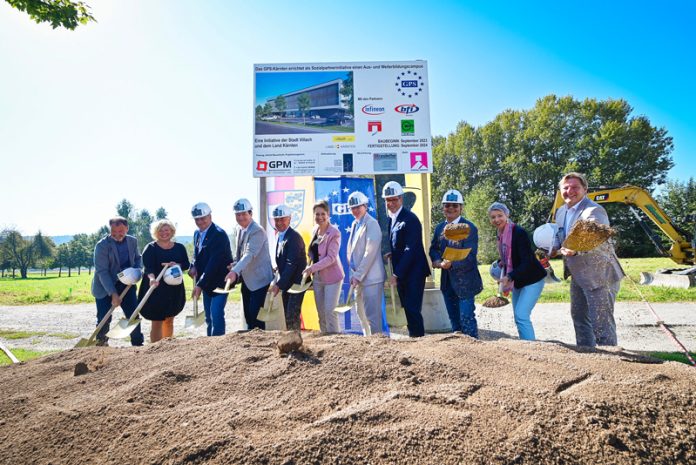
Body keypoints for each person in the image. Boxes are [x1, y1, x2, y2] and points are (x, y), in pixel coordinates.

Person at [553, 172, 624, 347]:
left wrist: (575, 250)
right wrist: (552, 248)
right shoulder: (561, 211)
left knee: (601, 323)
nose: (570, 191)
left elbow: (593, 240)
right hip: (578, 273)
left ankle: (610, 362)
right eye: (566, 187)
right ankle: (587, 355)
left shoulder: (594, 211)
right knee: (579, 317)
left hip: (599, 275)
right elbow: (561, 236)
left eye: (575, 187)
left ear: (585, 189)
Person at [488, 202, 546, 341]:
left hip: (533, 279)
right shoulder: (500, 234)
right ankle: (524, 345)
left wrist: (510, 275)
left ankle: (531, 348)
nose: (496, 220)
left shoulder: (518, 232)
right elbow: (511, 256)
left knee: (521, 315)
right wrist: (502, 265)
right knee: (518, 316)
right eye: (493, 217)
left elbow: (528, 260)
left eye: (500, 216)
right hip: (518, 280)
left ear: (507, 215)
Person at [429, 189, 483, 337]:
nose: (451, 208)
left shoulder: (470, 228)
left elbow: (471, 256)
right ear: (443, 208)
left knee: (466, 318)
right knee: (454, 321)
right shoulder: (440, 228)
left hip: (465, 282)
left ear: (461, 208)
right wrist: (437, 260)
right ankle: (460, 353)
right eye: (447, 205)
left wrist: (452, 264)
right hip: (447, 283)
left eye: (455, 205)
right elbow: (434, 248)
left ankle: (474, 349)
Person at [382, 181, 431, 337]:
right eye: (388, 200)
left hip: (414, 272)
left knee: (412, 308)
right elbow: (401, 246)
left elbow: (411, 248)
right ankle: (414, 338)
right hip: (404, 272)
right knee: (408, 308)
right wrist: (393, 254)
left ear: (401, 199)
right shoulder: (392, 218)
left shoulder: (410, 219)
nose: (391, 203)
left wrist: (397, 274)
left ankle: (419, 340)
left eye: (394, 199)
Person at [90, 216, 144, 346]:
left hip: (127, 283)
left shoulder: (132, 241)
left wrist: (136, 271)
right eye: (113, 232)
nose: (117, 235)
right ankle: (101, 345)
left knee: (133, 314)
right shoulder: (102, 246)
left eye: (120, 232)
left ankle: (137, 344)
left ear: (127, 228)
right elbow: (102, 272)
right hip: (104, 286)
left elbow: (138, 258)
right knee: (104, 317)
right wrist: (113, 293)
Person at [138, 219, 190, 343]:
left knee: (169, 318)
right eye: (160, 230)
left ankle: (167, 347)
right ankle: (156, 348)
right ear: (156, 232)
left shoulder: (179, 248)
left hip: (173, 288)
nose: (164, 233)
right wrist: (152, 279)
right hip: (156, 286)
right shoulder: (150, 248)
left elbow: (186, 265)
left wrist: (176, 264)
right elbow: (148, 268)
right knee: (157, 320)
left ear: (172, 231)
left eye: (166, 230)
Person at [225, 198, 274, 330]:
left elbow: (250, 254)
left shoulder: (257, 230)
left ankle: (262, 347)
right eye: (238, 215)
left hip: (260, 279)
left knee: (256, 316)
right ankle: (251, 347)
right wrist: (235, 264)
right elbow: (241, 253)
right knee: (248, 315)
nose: (241, 217)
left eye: (243, 214)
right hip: (247, 279)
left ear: (250, 213)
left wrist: (235, 271)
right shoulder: (239, 229)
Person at [189, 202, 232, 336]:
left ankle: (218, 345)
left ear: (210, 216)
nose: (200, 222)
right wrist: (193, 266)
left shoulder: (218, 234)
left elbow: (214, 263)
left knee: (216, 314)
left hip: (220, 282)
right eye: (197, 219)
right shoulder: (197, 234)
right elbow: (197, 255)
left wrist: (199, 285)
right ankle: (210, 346)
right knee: (208, 317)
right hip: (206, 282)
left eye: (203, 218)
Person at [346, 191, 386, 335]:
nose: (355, 210)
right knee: (361, 314)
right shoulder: (355, 224)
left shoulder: (372, 223)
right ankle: (368, 343)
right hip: (359, 278)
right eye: (352, 208)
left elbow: (370, 252)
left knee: (372, 317)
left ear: (365, 206)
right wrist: (353, 274)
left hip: (371, 279)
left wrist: (358, 275)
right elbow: (353, 254)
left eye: (358, 207)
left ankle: (379, 347)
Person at [304, 200, 344, 333]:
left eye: (323, 214)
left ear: (328, 214)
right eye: (317, 214)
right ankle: (325, 341)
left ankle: (336, 342)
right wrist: (309, 266)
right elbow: (313, 253)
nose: (320, 217)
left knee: (330, 312)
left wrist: (312, 268)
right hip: (317, 279)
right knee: (321, 313)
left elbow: (331, 258)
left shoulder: (334, 233)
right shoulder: (315, 230)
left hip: (332, 278)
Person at [268, 204, 307, 330]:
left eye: (282, 219)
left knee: (292, 314)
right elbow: (283, 263)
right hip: (288, 283)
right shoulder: (280, 236)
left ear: (289, 219)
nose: (279, 222)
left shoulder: (294, 237)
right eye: (277, 219)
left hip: (297, 283)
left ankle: (295, 342)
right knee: (287, 314)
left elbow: (291, 264)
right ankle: (293, 341)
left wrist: (279, 285)